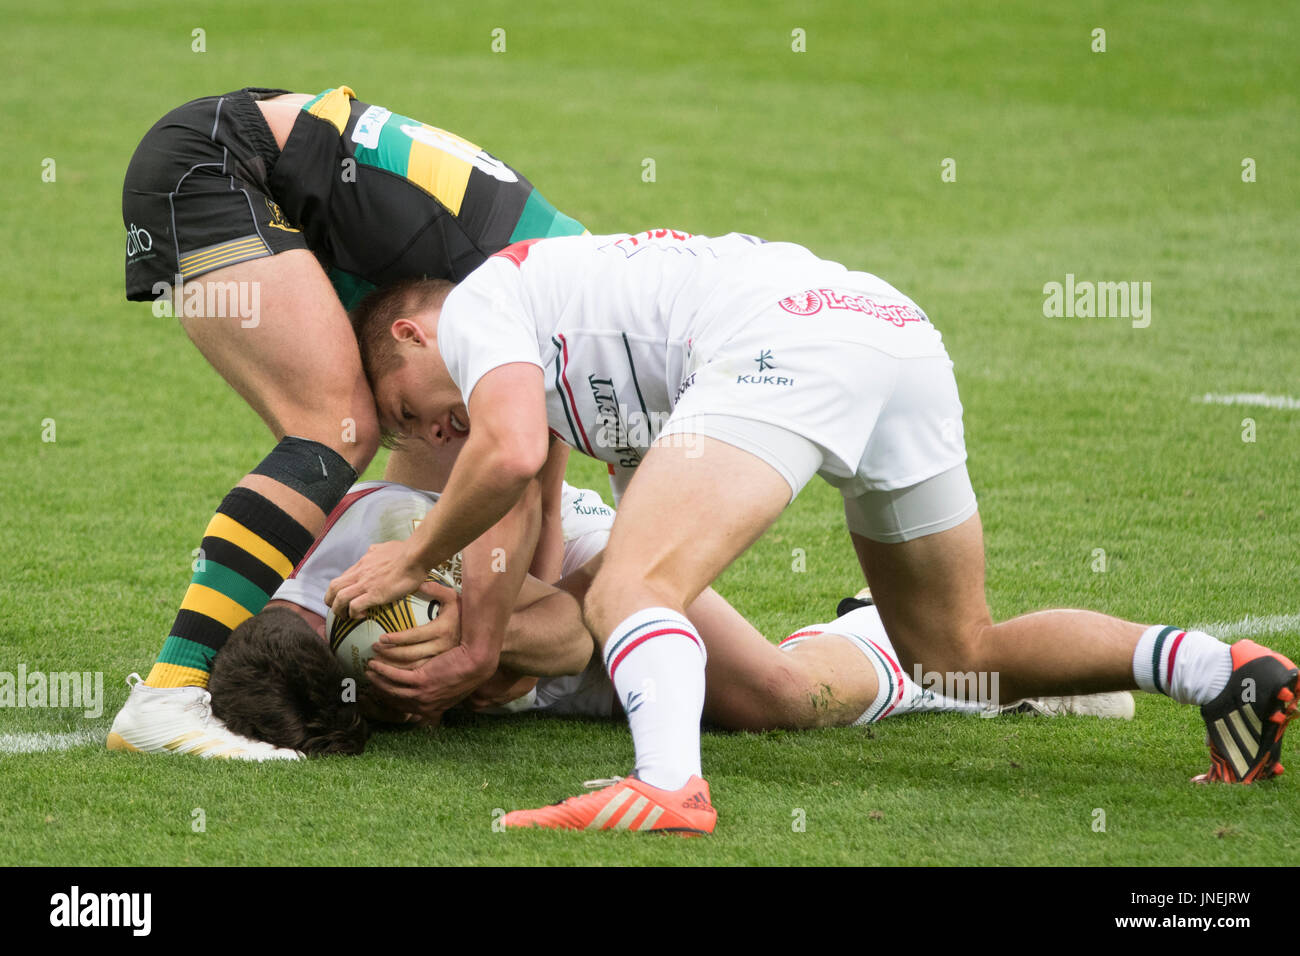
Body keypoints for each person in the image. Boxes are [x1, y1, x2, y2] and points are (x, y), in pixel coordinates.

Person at [327, 229, 1298, 834]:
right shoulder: (557, 379)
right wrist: (487, 640)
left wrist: (407, 557)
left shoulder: (482, 305)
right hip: (890, 334)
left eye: (402, 412)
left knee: (633, 585)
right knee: (957, 652)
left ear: (414, 337)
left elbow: (497, 458)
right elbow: (523, 497)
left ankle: (669, 786)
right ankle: (1224, 672)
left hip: (786, 341)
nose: (421, 434)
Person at [109, 86, 584, 759]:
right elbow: (513, 469)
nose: (433, 431)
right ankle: (168, 693)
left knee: (346, 431)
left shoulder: (554, 308)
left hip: (235, 159)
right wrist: (486, 640)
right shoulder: (548, 307)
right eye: (413, 415)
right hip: (216, 161)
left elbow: (532, 490)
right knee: (338, 427)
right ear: (408, 333)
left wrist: (514, 651)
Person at [208, 477, 1133, 792]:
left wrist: (475, 654)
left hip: (572, 578)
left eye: (371, 705)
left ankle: (897, 646)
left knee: (775, 699)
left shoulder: (390, 538)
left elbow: (576, 624)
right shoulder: (275, 617)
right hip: (508, 653)